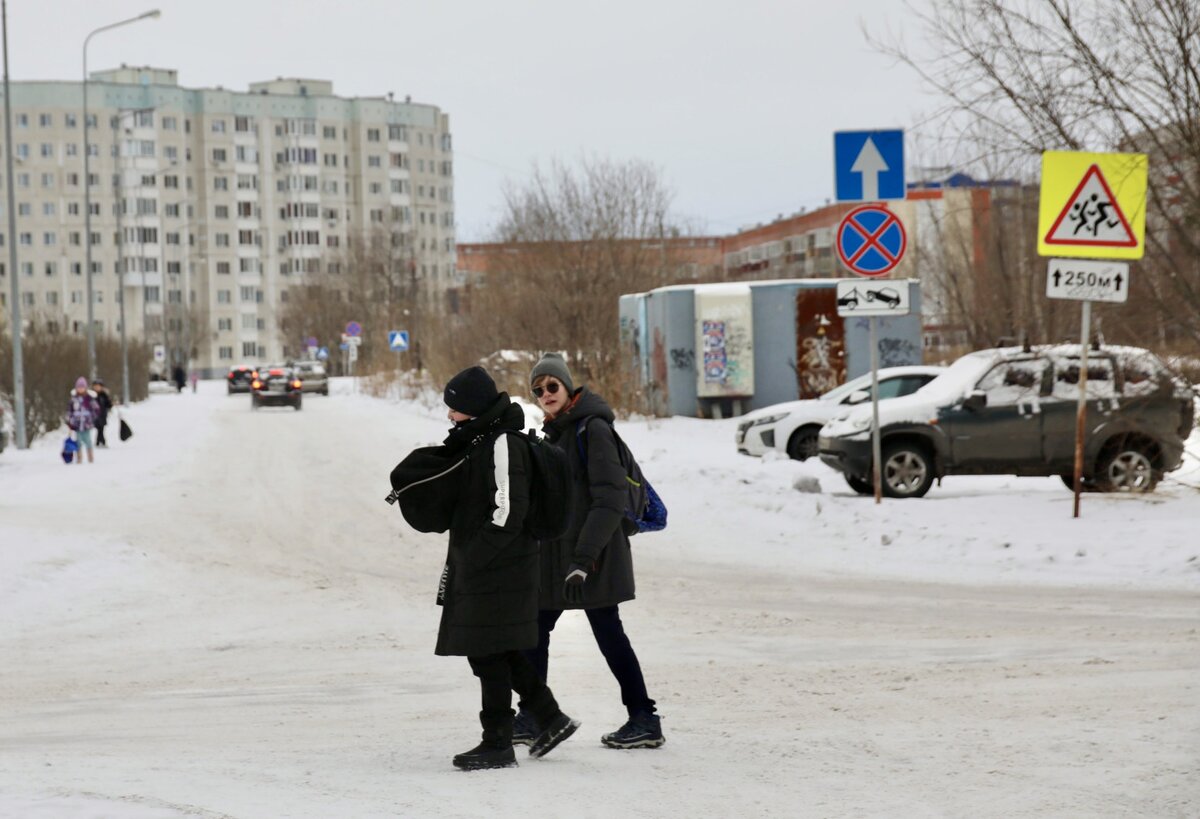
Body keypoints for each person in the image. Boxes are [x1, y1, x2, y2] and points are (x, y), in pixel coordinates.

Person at [389, 365, 579, 770]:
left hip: (500, 566)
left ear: (472, 408)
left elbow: (508, 512)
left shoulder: (502, 444)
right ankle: (548, 716)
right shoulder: (483, 439)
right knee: (496, 649)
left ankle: (498, 741)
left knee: (487, 653)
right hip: (494, 564)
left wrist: (472, 556)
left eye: (454, 409)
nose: (449, 416)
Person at [519, 353, 665, 749]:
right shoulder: (556, 431)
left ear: (568, 387)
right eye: (538, 389)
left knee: (608, 633)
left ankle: (644, 718)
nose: (545, 394)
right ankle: (533, 713)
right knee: (535, 628)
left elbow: (609, 499)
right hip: (562, 555)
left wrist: (584, 559)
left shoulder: (592, 429)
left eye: (552, 386)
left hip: (594, 554)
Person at [66, 376, 100, 465]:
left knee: (88, 441)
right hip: (77, 424)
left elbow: (96, 409)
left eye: (82, 387)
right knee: (78, 442)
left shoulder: (89, 399)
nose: (80, 389)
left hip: (86, 424)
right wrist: (70, 420)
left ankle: (90, 458)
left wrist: (91, 417)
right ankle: (79, 458)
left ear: (85, 388)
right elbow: (70, 410)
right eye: (79, 387)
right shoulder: (74, 399)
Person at [91, 379, 113, 448]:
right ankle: (100, 442)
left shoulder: (104, 395)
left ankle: (100, 442)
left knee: (101, 429)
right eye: (96, 386)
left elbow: (108, 405)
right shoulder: (92, 395)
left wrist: (111, 403)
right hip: (95, 415)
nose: (97, 388)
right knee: (99, 428)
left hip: (103, 415)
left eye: (98, 386)